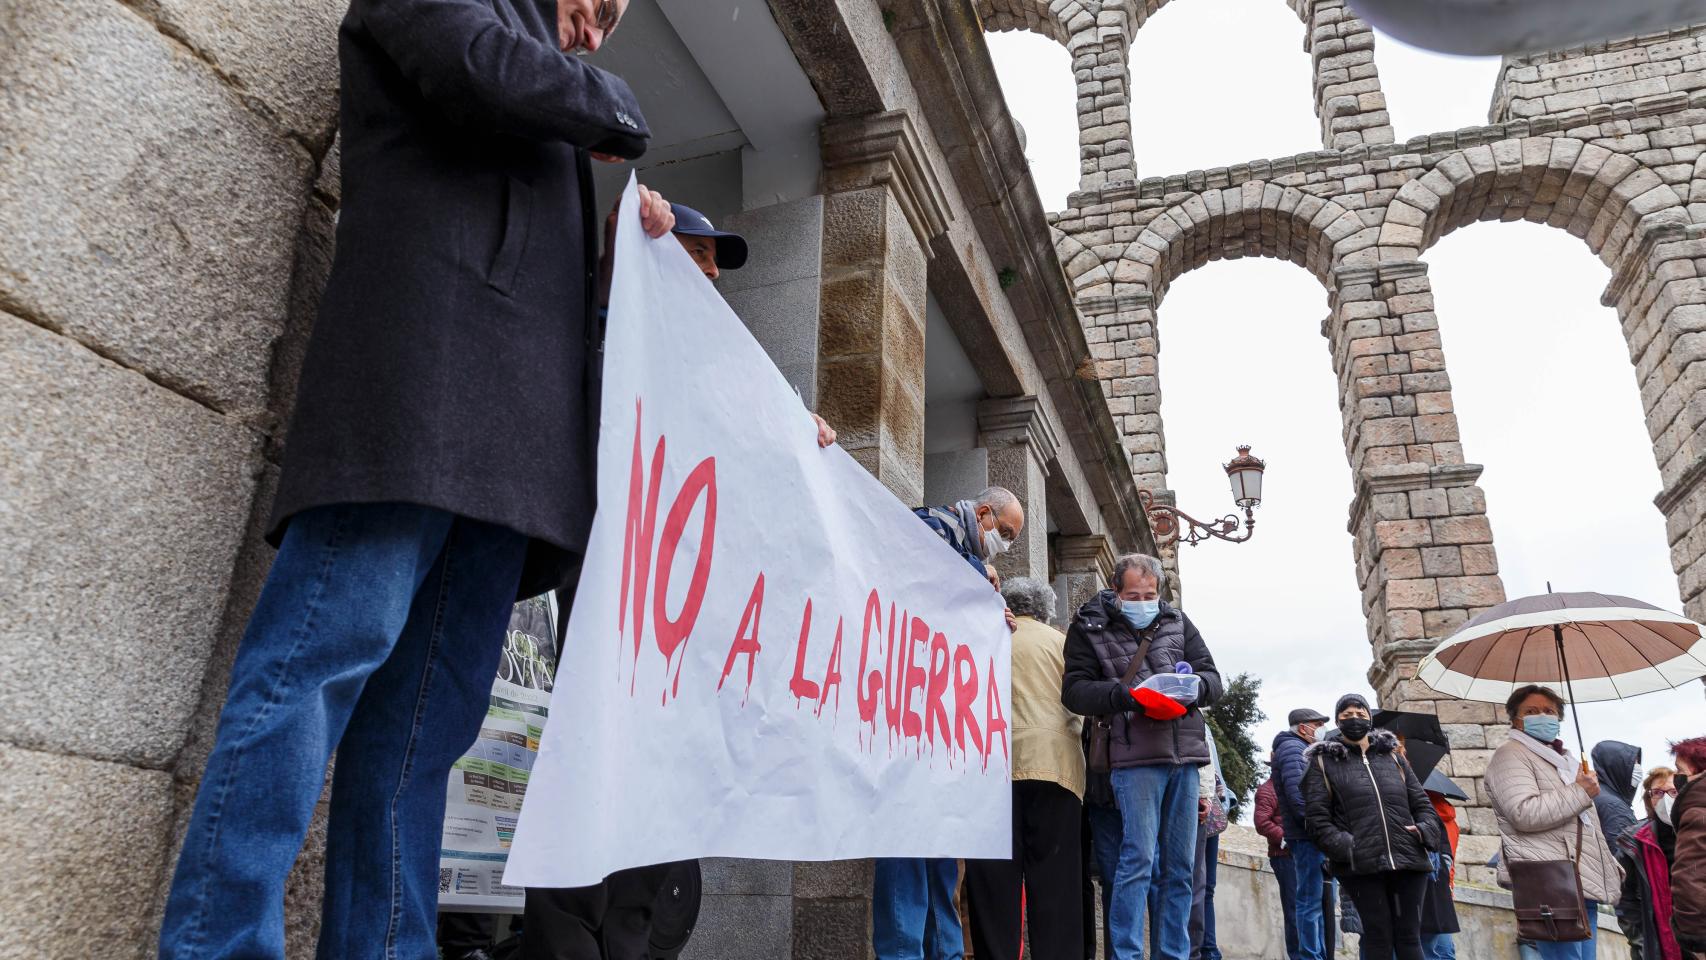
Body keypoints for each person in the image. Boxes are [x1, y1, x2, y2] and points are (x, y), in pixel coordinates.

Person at [156, 2, 676, 957]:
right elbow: (474, 63)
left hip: (510, 466)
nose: (597, 36)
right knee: (308, 674)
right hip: (412, 406)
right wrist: (614, 106)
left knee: (422, 740)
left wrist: (621, 276)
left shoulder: (550, 96)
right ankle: (217, 945)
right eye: (599, 7)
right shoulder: (507, 52)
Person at [518, 203, 834, 960]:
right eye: (698, 253)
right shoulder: (612, 331)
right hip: (613, 599)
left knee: (656, 811)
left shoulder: (719, 377)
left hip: (689, 626)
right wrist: (614, 270)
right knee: (596, 780)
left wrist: (805, 444)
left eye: (716, 260)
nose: (714, 272)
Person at [874, 486, 1023, 960]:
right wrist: (979, 578)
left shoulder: (971, 559)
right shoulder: (934, 524)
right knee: (907, 844)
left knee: (939, 853)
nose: (1006, 545)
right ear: (982, 513)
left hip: (941, 724)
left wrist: (992, 618)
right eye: (1003, 532)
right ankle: (905, 952)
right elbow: (914, 559)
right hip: (908, 718)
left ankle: (944, 951)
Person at [1061, 552, 1223, 960]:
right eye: (1134, 595)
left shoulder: (1177, 622)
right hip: (1131, 757)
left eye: (1150, 594)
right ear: (1115, 592)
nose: (1143, 601)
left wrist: (1193, 687)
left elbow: (1214, 679)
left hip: (1183, 756)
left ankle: (1173, 954)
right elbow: (1074, 691)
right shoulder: (1088, 626)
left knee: (1180, 870)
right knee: (1137, 862)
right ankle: (1128, 955)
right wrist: (1126, 696)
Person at [964, 577, 1085, 960]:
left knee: (993, 884)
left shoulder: (986, 636)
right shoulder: (1062, 643)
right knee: (1056, 883)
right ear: (1046, 609)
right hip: (1056, 768)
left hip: (992, 769)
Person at [1484, 685, 1625, 960]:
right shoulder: (1511, 754)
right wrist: (1579, 792)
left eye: (1549, 711)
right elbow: (1523, 812)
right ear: (1515, 719)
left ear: (1559, 719)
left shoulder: (1565, 761)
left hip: (1579, 880)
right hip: (1550, 882)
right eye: (1531, 711)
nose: (1542, 716)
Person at [1301, 694, 1445, 960]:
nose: (1354, 718)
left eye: (1360, 712)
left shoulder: (1393, 758)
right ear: (1337, 721)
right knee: (1378, 938)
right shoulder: (1323, 763)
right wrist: (1347, 846)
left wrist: (1424, 831)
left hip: (1408, 860)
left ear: (1369, 717)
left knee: (1409, 939)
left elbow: (1422, 804)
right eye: (1346, 715)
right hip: (1360, 865)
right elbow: (1316, 819)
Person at [1272, 707, 1330, 960]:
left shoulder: (1298, 749)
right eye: (1318, 724)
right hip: (1307, 837)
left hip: (1311, 836)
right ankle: (1311, 956)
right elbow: (1299, 799)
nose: (1322, 729)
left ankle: (1317, 953)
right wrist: (1323, 828)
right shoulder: (1293, 749)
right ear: (1304, 728)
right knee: (1309, 902)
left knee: (1316, 903)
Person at [1614, 767, 1681, 960]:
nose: (1666, 798)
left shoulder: (1696, 834)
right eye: (1658, 792)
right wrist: (1641, 940)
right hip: (1657, 945)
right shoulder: (1634, 842)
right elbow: (1624, 898)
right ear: (1648, 799)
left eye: (1673, 791)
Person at [1190, 733, 1228, 960]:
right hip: (1196, 804)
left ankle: (1209, 949)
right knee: (1195, 884)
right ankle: (1201, 950)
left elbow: (1215, 773)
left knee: (1207, 887)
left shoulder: (1205, 727)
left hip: (1211, 810)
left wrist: (1225, 800)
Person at [1255, 773, 1301, 960]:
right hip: (1284, 857)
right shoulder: (1267, 790)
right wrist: (1287, 839)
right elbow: (1261, 822)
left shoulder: (1292, 786)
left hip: (1300, 855)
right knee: (1294, 911)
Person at [1418, 775, 1460, 960]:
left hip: (1423, 888)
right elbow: (1448, 857)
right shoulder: (1450, 819)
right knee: (1444, 951)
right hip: (1444, 889)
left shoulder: (1421, 813)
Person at [1673, 736, 1706, 955]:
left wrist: (1696, 941)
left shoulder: (1696, 809)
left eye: (1679, 769)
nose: (1676, 777)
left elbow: (1690, 879)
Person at [1593, 741, 1645, 855]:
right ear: (1616, 766)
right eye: (1633, 763)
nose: (1638, 769)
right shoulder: (1613, 805)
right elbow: (1624, 854)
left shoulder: (1597, 794)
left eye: (1638, 763)